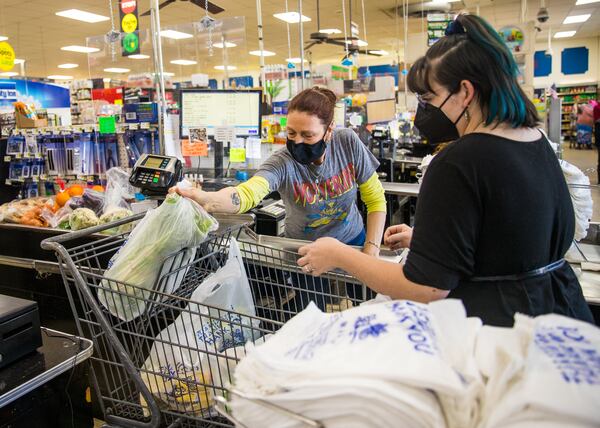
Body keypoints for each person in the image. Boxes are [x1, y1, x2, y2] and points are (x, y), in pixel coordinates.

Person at [296, 14, 594, 327]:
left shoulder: (458, 162)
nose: (422, 110)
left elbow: (425, 289)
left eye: (428, 97)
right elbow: (515, 240)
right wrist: (435, 245)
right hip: (558, 317)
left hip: (496, 331)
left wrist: (340, 254)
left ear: (465, 92)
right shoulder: (535, 141)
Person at [172, 87, 386, 256]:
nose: (297, 141)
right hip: (304, 251)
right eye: (291, 133)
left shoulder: (347, 143)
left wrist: (371, 249)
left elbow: (375, 199)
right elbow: (248, 193)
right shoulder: (282, 162)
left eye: (307, 135)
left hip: (351, 243)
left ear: (328, 130)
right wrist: (207, 199)